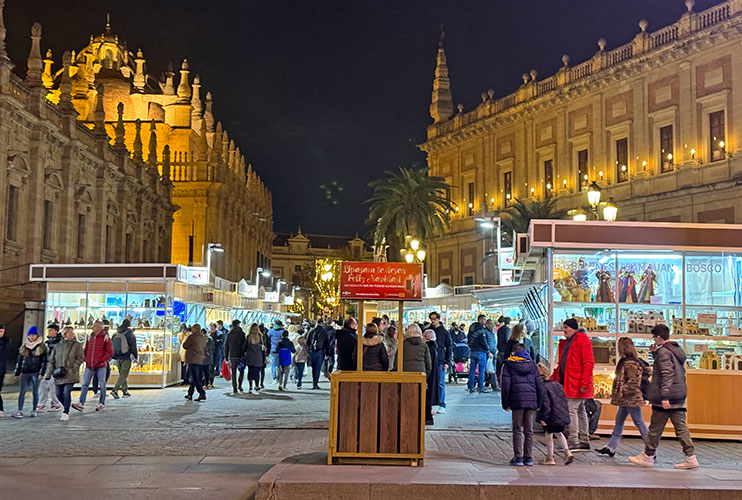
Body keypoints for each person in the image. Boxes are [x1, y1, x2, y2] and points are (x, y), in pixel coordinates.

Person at [629, 324, 699, 469]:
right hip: (678, 395)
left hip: (667, 396)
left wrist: (665, 396)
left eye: (654, 337)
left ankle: (648, 456)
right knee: (680, 427)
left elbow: (667, 374)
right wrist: (655, 353)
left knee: (655, 427)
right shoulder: (674, 349)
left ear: (659, 337)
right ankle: (690, 456)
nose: (653, 339)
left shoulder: (664, 352)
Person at [596, 337, 650, 457]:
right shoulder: (628, 361)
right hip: (626, 398)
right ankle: (611, 447)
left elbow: (633, 381)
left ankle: (651, 448)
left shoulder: (630, 363)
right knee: (619, 422)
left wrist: (622, 391)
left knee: (638, 422)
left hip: (630, 398)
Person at [550, 318, 594, 452]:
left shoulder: (580, 340)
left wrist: (584, 382)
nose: (563, 330)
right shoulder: (573, 341)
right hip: (573, 382)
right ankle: (584, 440)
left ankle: (574, 440)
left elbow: (588, 362)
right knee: (580, 410)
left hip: (576, 382)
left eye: (566, 327)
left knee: (572, 410)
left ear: (572, 328)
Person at [501, 343, 543, 467]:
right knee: (529, 430)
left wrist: (505, 403)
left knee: (517, 428)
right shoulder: (533, 365)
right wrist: (538, 402)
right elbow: (539, 385)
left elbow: (506, 386)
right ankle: (528, 457)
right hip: (531, 401)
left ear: (513, 353)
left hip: (517, 400)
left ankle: (518, 457)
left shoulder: (508, 364)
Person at [72, 320, 113, 412]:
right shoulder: (90, 337)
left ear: (99, 327)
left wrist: (100, 360)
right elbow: (86, 349)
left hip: (101, 365)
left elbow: (110, 352)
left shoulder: (105, 338)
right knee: (85, 384)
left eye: (94, 326)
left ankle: (101, 403)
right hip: (89, 365)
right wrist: (85, 359)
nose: (93, 327)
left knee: (102, 384)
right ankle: (81, 403)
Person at [537, 364, 573, 465]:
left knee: (548, 435)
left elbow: (545, 405)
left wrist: (543, 418)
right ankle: (567, 451)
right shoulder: (557, 385)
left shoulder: (543, 387)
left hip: (551, 416)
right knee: (559, 433)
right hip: (561, 415)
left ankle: (550, 457)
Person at [46, 326, 84, 421]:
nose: (72, 334)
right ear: (65, 334)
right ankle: (67, 405)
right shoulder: (58, 346)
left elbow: (80, 358)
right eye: (70, 332)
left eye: (72, 332)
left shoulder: (77, 345)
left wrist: (74, 368)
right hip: (59, 374)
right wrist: (48, 374)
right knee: (58, 394)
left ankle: (66, 411)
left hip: (70, 373)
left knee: (66, 392)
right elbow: (51, 360)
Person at [12, 327, 48, 418]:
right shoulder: (24, 347)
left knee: (35, 392)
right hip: (25, 372)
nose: (32, 337)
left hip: (36, 372)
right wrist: (17, 373)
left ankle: (34, 409)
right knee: (22, 391)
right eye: (30, 335)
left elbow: (45, 361)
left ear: (37, 336)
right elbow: (20, 361)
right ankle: (20, 410)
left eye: (33, 335)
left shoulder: (42, 347)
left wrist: (42, 373)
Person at [429, 312, 452, 414]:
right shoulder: (428, 330)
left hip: (441, 361)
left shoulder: (445, 332)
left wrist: (447, 361)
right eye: (431, 319)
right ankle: (430, 404)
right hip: (430, 360)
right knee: (430, 383)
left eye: (434, 319)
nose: (433, 321)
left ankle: (442, 404)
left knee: (440, 383)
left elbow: (449, 347)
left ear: (438, 319)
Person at [110, 318, 138, 399]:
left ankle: (125, 391)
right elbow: (133, 346)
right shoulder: (130, 333)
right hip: (126, 356)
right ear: (129, 325)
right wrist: (135, 356)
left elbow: (112, 345)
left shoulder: (116, 333)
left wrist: (112, 355)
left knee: (122, 374)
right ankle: (115, 390)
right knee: (124, 375)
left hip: (117, 357)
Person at [37, 324, 62, 412]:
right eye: (49, 330)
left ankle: (55, 403)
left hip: (55, 366)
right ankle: (41, 403)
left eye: (51, 330)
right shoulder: (47, 343)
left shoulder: (60, 342)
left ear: (56, 331)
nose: (49, 332)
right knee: (43, 384)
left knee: (52, 385)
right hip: (46, 366)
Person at [183, 324, 208, 401]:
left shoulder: (192, 337)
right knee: (196, 377)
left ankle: (202, 393)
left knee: (195, 378)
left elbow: (185, 346)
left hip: (192, 359)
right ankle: (190, 393)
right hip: (200, 360)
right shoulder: (203, 337)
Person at [467, 314, 490, 394]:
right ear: (480, 320)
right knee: (481, 370)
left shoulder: (471, 328)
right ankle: (481, 387)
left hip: (472, 351)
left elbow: (468, 338)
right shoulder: (481, 330)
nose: (484, 321)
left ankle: (471, 387)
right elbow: (483, 342)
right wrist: (488, 350)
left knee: (472, 370)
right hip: (481, 352)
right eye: (484, 320)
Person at [423, 329, 440, 426]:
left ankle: (427, 417)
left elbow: (428, 364)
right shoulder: (435, 347)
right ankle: (428, 417)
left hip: (429, 375)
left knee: (427, 397)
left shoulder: (428, 347)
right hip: (433, 374)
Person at [225, 319, 247, 394]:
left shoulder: (229, 334)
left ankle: (234, 387)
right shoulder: (242, 334)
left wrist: (226, 356)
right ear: (238, 325)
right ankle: (240, 385)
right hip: (240, 355)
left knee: (233, 371)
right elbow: (245, 345)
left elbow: (226, 346)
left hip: (232, 355)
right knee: (241, 370)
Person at [307, 320, 330, 389]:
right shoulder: (324, 331)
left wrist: (308, 350)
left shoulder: (311, 331)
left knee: (313, 367)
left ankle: (314, 381)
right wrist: (327, 353)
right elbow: (327, 343)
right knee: (317, 368)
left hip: (312, 351)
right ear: (322, 323)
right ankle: (315, 383)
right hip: (320, 351)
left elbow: (307, 341)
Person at [244, 323, 265, 394]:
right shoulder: (260, 336)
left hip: (250, 356)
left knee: (250, 371)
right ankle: (257, 385)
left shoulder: (248, 337)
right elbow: (263, 348)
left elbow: (244, 347)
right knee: (257, 372)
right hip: (258, 357)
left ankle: (250, 386)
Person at [483, 319, 499, 391]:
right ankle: (494, 385)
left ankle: (492, 383)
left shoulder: (492, 332)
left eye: (493, 324)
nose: (493, 326)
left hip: (494, 352)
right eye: (491, 324)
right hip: (489, 353)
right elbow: (485, 343)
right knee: (491, 370)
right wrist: (488, 352)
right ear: (487, 324)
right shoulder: (485, 332)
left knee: (492, 369)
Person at [496, 316, 511, 386]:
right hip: (505, 351)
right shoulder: (507, 330)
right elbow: (507, 340)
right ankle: (503, 382)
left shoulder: (499, 330)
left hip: (499, 350)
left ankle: (499, 382)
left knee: (499, 368)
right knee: (505, 367)